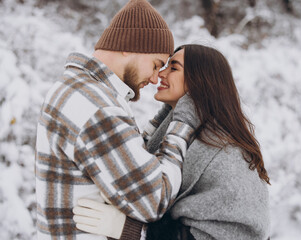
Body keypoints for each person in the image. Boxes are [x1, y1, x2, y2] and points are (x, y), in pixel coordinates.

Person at [35, 0, 200, 239]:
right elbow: (155, 199)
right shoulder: (98, 107)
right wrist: (181, 126)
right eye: (155, 65)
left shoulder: (72, 87)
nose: (156, 78)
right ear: (130, 44)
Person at [73, 44, 271, 240]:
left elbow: (233, 234)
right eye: (164, 65)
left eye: (173, 68)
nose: (160, 73)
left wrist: (133, 231)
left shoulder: (226, 152)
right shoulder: (170, 132)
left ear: (201, 79)